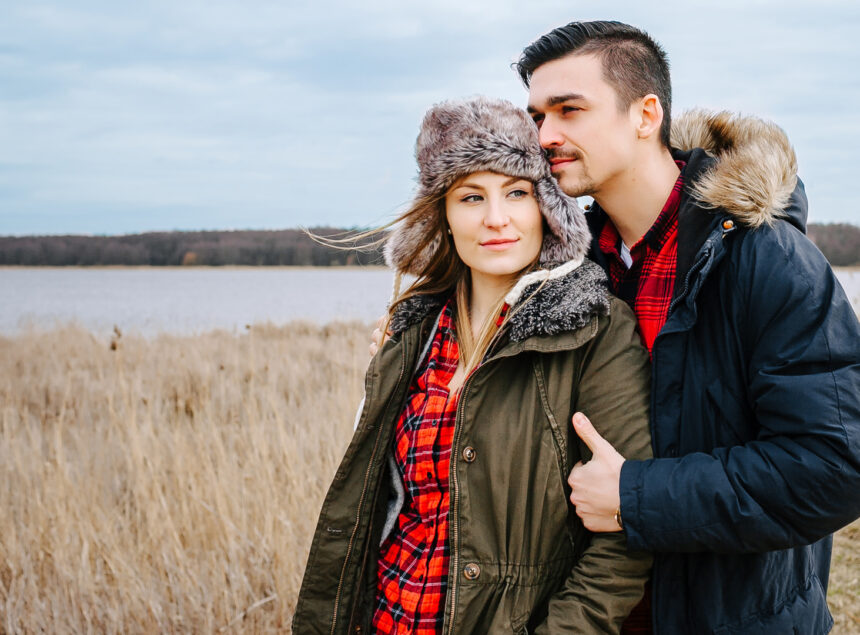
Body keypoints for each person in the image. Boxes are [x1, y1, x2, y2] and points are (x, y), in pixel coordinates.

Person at [514, 20, 860, 635]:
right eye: (537, 115)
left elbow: (835, 465)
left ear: (646, 114)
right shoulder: (566, 268)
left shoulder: (765, 258)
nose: (545, 136)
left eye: (569, 110)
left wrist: (636, 497)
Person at [293, 97, 655, 634]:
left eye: (516, 193)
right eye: (470, 197)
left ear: (547, 208)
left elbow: (622, 546)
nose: (495, 219)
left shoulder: (597, 331)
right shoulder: (410, 333)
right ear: (443, 211)